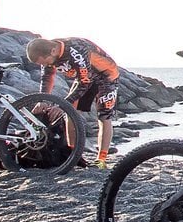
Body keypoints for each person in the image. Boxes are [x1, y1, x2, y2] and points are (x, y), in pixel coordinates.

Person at [26, 37, 119, 168]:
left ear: (53, 51)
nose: (47, 66)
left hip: (106, 75)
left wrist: (62, 104)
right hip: (84, 77)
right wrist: (42, 100)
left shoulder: (77, 51)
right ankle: (74, 155)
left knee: (103, 117)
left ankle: (101, 159)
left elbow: (85, 81)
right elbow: (47, 77)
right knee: (70, 114)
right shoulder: (47, 52)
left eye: (47, 63)